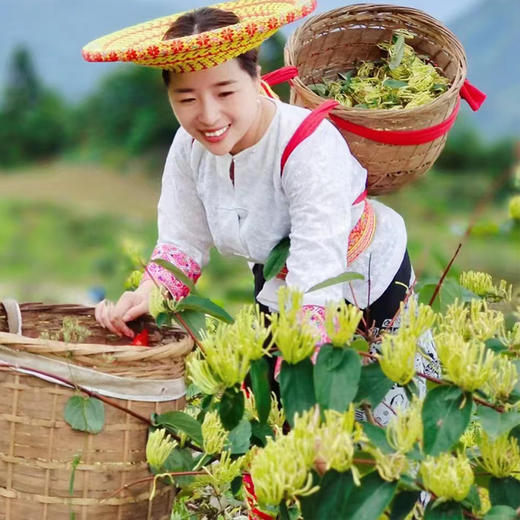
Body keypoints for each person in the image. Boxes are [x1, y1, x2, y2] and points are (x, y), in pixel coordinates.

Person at [88, 2, 438, 424]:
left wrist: (308, 359)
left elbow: (318, 265)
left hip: (364, 283)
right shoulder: (188, 147)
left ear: (255, 78)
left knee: (387, 429)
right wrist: (142, 299)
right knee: (284, 436)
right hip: (277, 283)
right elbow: (182, 243)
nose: (209, 115)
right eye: (187, 98)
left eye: (225, 92)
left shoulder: (308, 144)